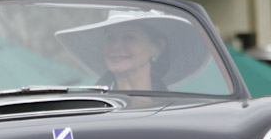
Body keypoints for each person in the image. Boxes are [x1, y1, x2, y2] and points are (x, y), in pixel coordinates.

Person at [55, 9, 209, 91]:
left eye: (129, 37)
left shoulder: (175, 112)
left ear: (156, 48)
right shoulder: (86, 109)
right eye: (110, 37)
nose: (116, 46)